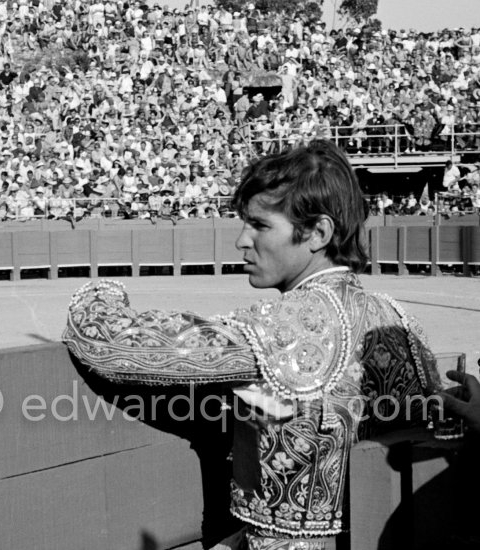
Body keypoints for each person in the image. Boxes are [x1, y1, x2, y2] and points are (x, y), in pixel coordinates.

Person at [63, 140, 440, 550]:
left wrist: (100, 294)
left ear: (318, 233)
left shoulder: (289, 326)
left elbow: (112, 347)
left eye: (260, 226)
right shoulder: (399, 320)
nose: (242, 240)